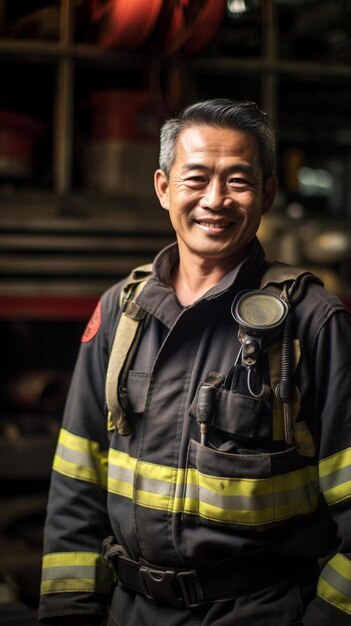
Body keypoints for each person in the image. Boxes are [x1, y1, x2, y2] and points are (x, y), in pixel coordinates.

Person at [39, 99, 351, 626]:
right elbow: (77, 484)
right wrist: (68, 613)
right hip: (129, 612)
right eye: (196, 178)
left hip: (259, 612)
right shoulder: (121, 311)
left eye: (237, 181)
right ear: (163, 188)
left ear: (268, 193)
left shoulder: (313, 322)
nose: (215, 200)